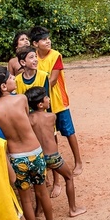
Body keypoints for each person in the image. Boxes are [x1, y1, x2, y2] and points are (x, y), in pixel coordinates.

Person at [0, 67, 55, 220]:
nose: (14, 78)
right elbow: (26, 121)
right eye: (10, 77)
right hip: (36, 152)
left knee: (26, 200)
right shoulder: (22, 99)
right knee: (42, 193)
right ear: (3, 86)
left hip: (17, 158)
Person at [32, 26, 84, 176]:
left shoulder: (55, 55)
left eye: (48, 38)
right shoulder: (33, 56)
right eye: (44, 39)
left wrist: (34, 94)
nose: (48, 41)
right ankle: (54, 165)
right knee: (51, 134)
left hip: (58, 101)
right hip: (44, 102)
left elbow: (53, 80)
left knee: (69, 132)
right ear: (35, 43)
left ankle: (78, 161)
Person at [26, 87, 86, 217]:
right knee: (69, 177)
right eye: (46, 98)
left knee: (39, 185)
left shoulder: (29, 119)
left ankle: (38, 210)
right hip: (53, 156)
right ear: (41, 104)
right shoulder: (51, 116)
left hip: (38, 157)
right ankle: (72, 209)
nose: (49, 99)